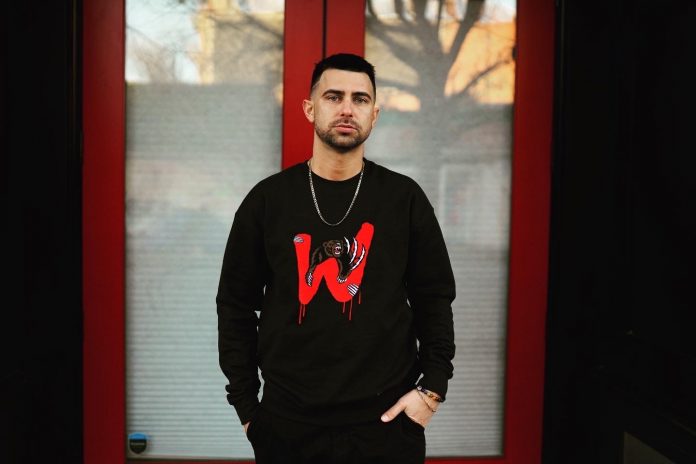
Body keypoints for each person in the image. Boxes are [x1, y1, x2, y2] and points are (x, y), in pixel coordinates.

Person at [217, 53, 455, 464]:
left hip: (385, 428)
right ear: (310, 108)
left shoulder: (403, 200)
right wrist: (248, 410)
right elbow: (235, 305)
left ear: (374, 114)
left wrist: (431, 391)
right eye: (333, 96)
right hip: (288, 427)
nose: (347, 108)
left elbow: (434, 298)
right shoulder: (268, 201)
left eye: (360, 99)